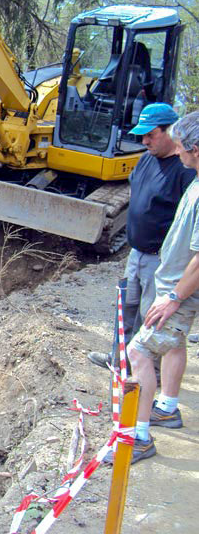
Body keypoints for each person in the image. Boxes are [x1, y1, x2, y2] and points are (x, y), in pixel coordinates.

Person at [113, 111, 199, 463]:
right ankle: (167, 407)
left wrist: (174, 298)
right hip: (172, 286)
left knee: (138, 353)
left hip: (176, 292)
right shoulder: (195, 181)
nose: (177, 153)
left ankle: (140, 438)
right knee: (170, 344)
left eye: (181, 147)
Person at [88, 104, 194, 379]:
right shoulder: (147, 157)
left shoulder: (185, 171)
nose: (145, 140)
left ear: (169, 130)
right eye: (142, 135)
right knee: (126, 308)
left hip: (160, 258)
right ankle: (117, 359)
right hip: (135, 253)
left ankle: (147, 374)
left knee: (152, 316)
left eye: (151, 134)